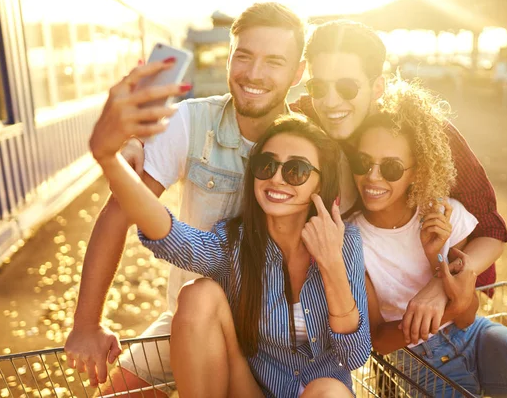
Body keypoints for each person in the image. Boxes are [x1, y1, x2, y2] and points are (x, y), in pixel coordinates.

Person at [65, 3, 310, 395]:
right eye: (243, 56)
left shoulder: (310, 144)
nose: (254, 73)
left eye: (274, 62)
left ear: (298, 73)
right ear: (229, 57)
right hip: (190, 317)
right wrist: (87, 324)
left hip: (274, 335)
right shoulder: (191, 122)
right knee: (116, 392)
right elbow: (120, 213)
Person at [89, 113, 371, 397]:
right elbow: (172, 237)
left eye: (296, 171)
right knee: (198, 294)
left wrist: (331, 263)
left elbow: (355, 356)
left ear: (319, 184)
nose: (275, 178)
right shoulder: (234, 244)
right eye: (266, 165)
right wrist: (112, 161)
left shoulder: (345, 241)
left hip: (322, 393)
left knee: (329, 391)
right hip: (251, 390)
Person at [346, 79, 507, 397]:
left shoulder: (442, 215)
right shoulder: (353, 240)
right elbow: (379, 341)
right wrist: (448, 310)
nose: (373, 176)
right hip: (412, 361)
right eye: (362, 162)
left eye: (392, 167)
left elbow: (467, 315)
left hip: (473, 337)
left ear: (416, 170)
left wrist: (437, 258)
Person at [294, 20, 507, 346]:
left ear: (377, 87)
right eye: (318, 87)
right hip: (381, 309)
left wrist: (442, 285)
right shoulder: (306, 123)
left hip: (450, 297)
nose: (331, 101)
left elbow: (492, 230)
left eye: (347, 87)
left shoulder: (427, 134)